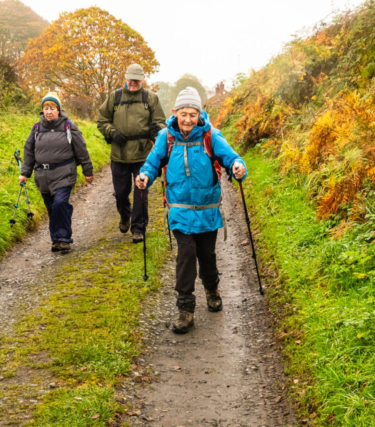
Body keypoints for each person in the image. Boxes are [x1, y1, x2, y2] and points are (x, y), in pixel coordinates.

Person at [136, 87, 247, 334]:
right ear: (175, 113)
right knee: (186, 255)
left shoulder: (211, 136)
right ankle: (185, 309)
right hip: (179, 209)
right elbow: (152, 163)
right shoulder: (167, 137)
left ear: (200, 115)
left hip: (207, 209)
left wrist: (238, 167)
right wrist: (144, 175)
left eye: (192, 114)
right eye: (183, 113)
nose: (187, 119)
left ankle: (211, 288)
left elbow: (232, 158)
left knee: (207, 255)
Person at [97, 63, 167, 243]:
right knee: (120, 193)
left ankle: (138, 228)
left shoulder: (150, 98)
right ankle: (124, 215)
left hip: (143, 155)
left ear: (142, 79)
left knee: (141, 193)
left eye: (137, 80)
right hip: (119, 154)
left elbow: (161, 122)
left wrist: (156, 130)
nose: (133, 82)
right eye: (131, 79)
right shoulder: (115, 97)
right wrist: (112, 132)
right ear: (126, 78)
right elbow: (102, 120)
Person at [19, 92, 94, 253]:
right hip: (43, 176)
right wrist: (25, 173)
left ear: (58, 110)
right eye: (46, 108)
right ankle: (56, 240)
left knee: (60, 203)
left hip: (64, 173)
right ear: (42, 110)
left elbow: (81, 149)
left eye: (52, 108)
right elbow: (29, 152)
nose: (49, 111)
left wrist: (88, 171)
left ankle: (64, 238)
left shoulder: (68, 126)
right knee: (52, 208)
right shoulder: (37, 128)